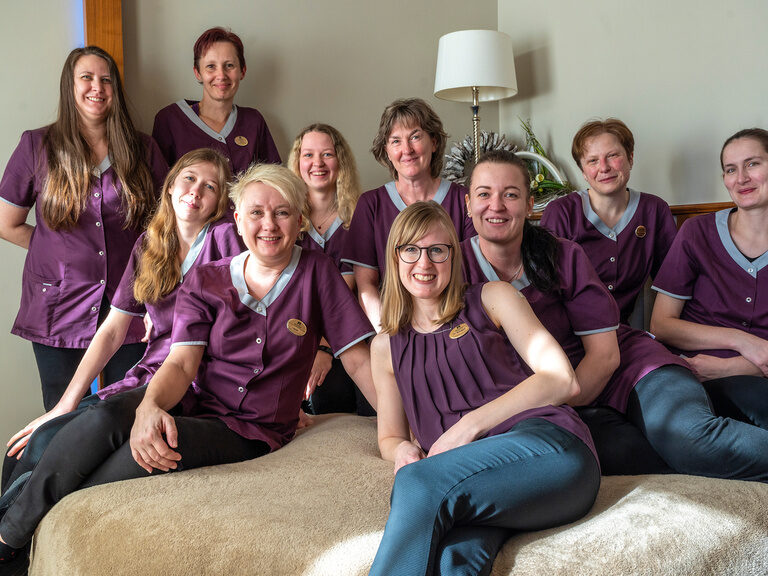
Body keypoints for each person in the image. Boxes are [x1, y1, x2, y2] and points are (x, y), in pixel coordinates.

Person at [0, 163, 376, 564]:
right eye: (256, 213)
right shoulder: (205, 276)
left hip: (247, 428)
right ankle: (7, 540)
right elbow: (181, 364)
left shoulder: (318, 272)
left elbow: (358, 363)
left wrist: (399, 434)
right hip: (188, 394)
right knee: (101, 419)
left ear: (300, 220)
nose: (269, 224)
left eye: (282, 212)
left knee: (133, 456)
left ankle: (14, 541)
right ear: (238, 219)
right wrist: (149, 406)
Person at [462, 150, 768, 480]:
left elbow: (605, 357)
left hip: (630, 368)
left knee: (690, 442)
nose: (496, 206)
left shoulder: (563, 255)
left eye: (510, 194)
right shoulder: (453, 268)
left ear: (528, 203)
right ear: (467, 203)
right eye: (484, 194)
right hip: (562, 402)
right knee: (628, 459)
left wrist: (557, 399)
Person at [368, 201, 599, 575]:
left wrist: (466, 428)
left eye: (437, 250)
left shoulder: (492, 298)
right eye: (410, 249)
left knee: (419, 485)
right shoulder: (385, 348)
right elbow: (390, 437)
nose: (423, 263)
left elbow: (561, 378)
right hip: (478, 484)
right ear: (394, 258)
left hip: (550, 451)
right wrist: (405, 451)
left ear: (453, 255)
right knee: (452, 564)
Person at [2, 148, 241, 494]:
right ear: (171, 186)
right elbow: (113, 330)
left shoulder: (226, 240)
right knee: (27, 445)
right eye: (189, 179)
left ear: (220, 203)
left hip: (192, 382)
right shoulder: (149, 245)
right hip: (147, 372)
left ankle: (11, 539)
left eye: (210, 187)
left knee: (50, 449)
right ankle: (18, 543)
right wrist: (64, 404)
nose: (196, 191)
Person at [0, 46, 167, 411]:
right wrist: (56, 249)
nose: (97, 87)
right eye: (87, 78)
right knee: (62, 412)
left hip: (129, 304)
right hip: (56, 305)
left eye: (106, 79)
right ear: (70, 86)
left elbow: (164, 225)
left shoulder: (143, 149)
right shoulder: (36, 145)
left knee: (124, 409)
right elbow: (7, 224)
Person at [651, 128, 768, 431]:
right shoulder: (696, 232)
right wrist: (744, 341)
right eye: (731, 169)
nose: (741, 178)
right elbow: (661, 325)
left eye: (752, 164)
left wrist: (733, 367)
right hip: (691, 375)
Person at [341, 98, 475, 331]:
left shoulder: (464, 200)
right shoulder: (371, 204)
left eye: (415, 137)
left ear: (434, 142)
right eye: (396, 141)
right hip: (393, 326)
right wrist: (388, 334)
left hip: (455, 324)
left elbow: (471, 278)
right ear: (386, 151)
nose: (407, 150)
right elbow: (366, 286)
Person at [540, 118, 676, 324]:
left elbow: (672, 282)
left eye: (612, 156)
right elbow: (544, 290)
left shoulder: (654, 210)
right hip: (567, 333)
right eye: (592, 161)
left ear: (630, 158)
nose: (603, 168)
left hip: (622, 334)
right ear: (583, 172)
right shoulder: (561, 212)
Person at [287, 123, 372, 415]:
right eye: (308, 155)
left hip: (353, 334)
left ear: (341, 162)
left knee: (367, 409)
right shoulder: (286, 219)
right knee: (323, 402)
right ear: (298, 163)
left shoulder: (360, 217)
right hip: (299, 334)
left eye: (327, 154)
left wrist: (324, 348)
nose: (318, 164)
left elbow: (344, 293)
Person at [152, 27, 280, 178]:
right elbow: (160, 188)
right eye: (211, 66)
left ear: (242, 71)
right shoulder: (170, 120)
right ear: (198, 73)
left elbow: (276, 181)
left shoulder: (254, 121)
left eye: (229, 65)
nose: (221, 75)